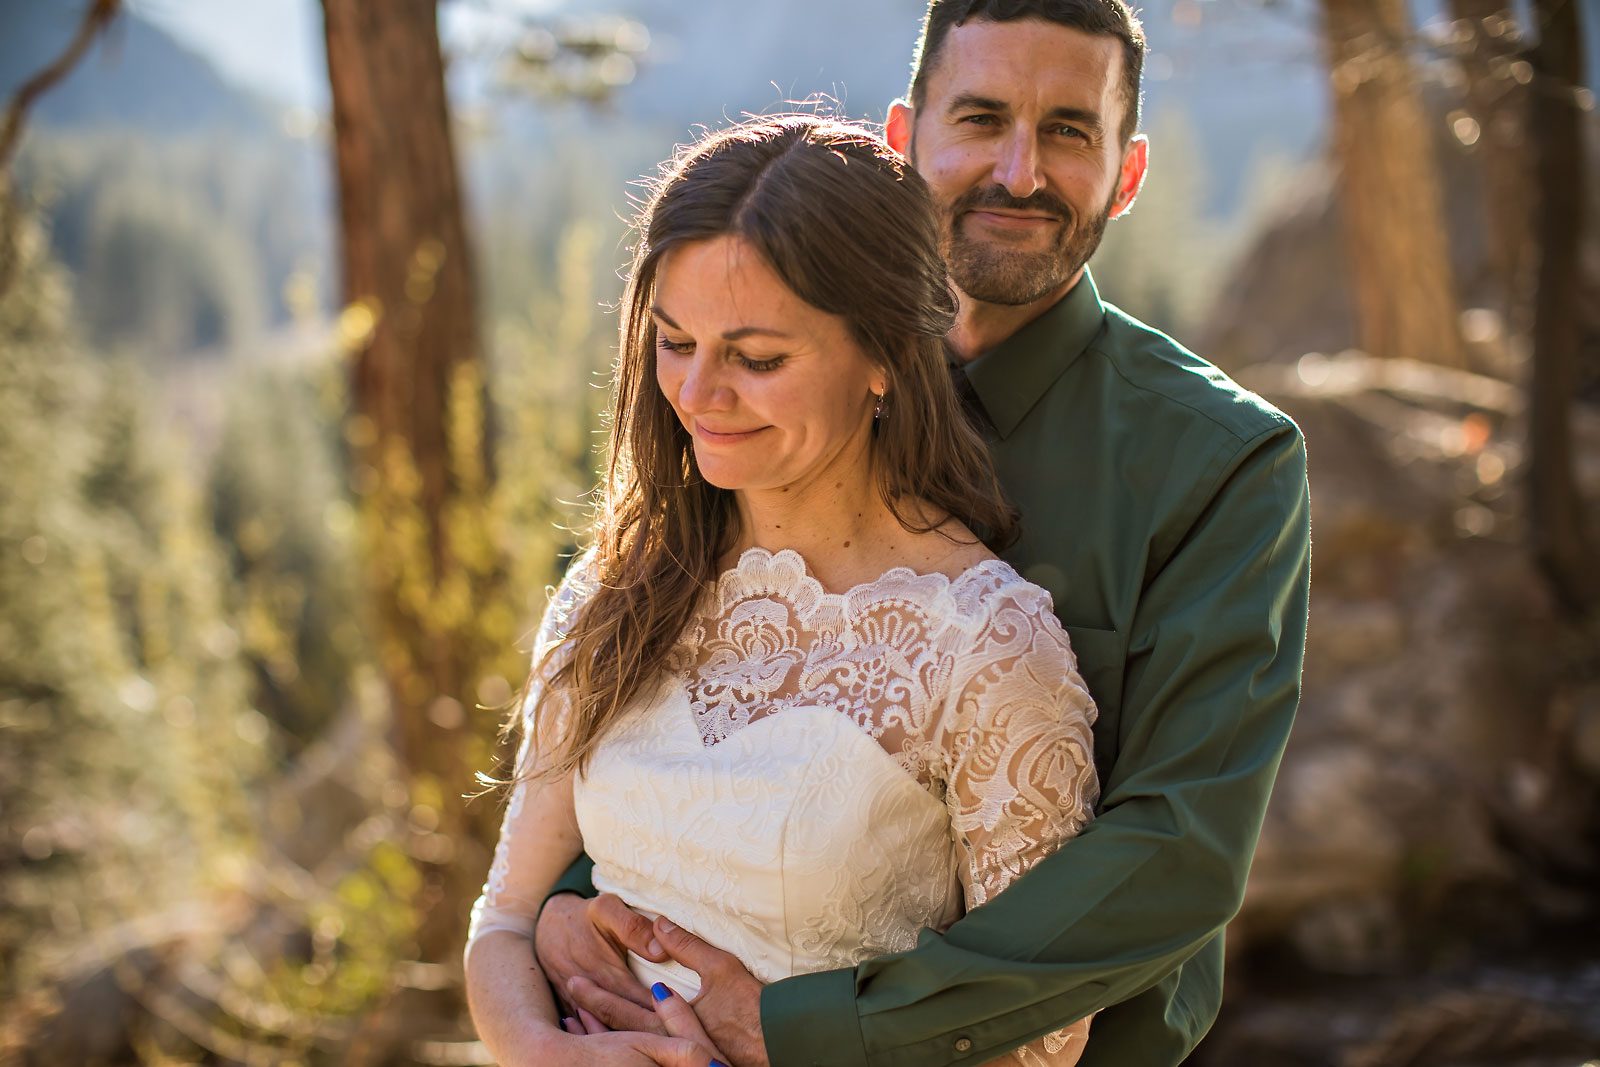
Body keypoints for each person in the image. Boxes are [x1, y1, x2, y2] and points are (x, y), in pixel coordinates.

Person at [532, 1, 1313, 1066]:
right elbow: (678, 673)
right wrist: (573, 899)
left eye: (1069, 132)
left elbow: (1178, 850)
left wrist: (803, 1029)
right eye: (982, 119)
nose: (1020, 173)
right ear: (903, 145)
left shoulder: (1221, 463)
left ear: (1127, 174)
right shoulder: (775, 384)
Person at [464, 115, 1105, 1067]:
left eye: (758, 358)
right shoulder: (619, 583)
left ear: (886, 355)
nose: (698, 394)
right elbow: (506, 916)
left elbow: (1042, 1043)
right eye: (675, 341)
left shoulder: (985, 647)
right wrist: (542, 1049)